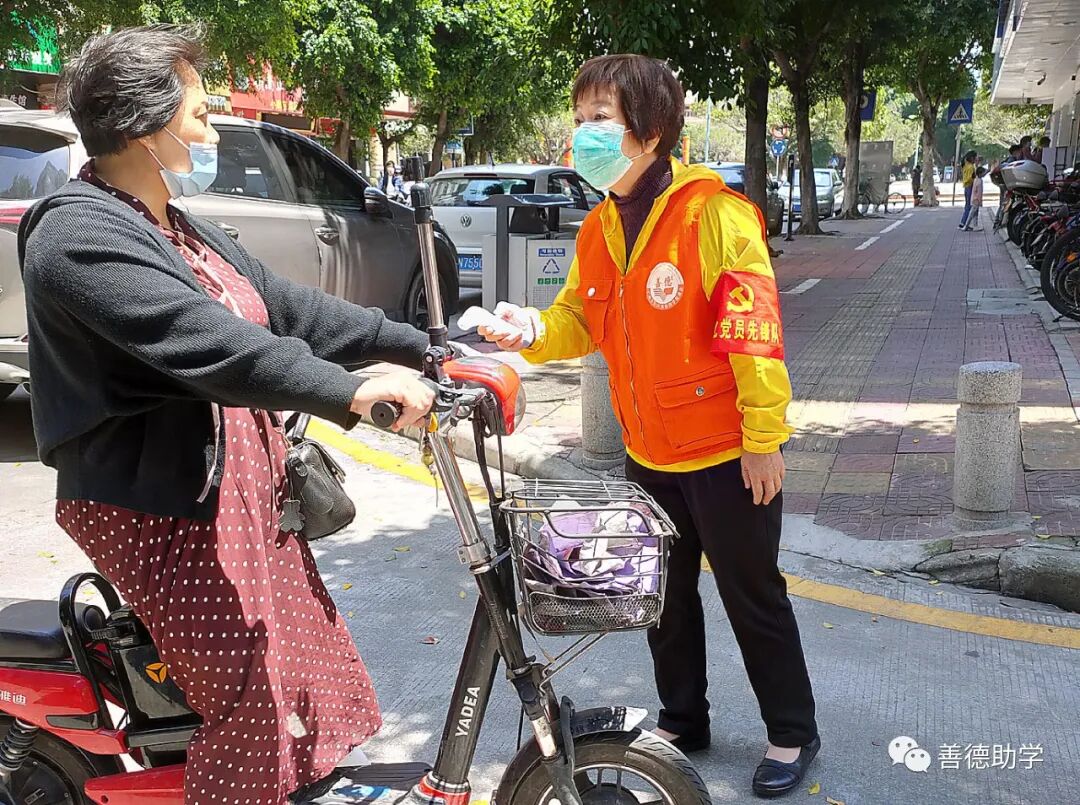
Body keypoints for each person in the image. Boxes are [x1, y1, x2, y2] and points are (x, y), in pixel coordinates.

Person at [19, 24, 436, 805]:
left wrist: (423, 346)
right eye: (201, 113)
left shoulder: (173, 224)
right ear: (145, 125)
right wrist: (351, 392)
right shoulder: (76, 231)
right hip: (156, 504)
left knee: (304, 659)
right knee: (252, 695)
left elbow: (287, 309)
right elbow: (214, 344)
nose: (212, 132)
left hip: (235, 485)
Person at [479, 54, 819, 799]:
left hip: (726, 453)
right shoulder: (600, 227)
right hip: (649, 452)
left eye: (601, 118)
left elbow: (754, 336)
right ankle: (684, 720)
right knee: (663, 599)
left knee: (752, 595)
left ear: (652, 130)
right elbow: (579, 318)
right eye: (580, 119)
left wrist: (763, 440)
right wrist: (529, 328)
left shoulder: (714, 215)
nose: (584, 134)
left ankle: (793, 730)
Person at [958, 150, 977, 229]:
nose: (976, 159)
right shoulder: (971, 167)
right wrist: (974, 178)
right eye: (975, 158)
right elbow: (970, 178)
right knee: (969, 206)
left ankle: (963, 222)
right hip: (970, 186)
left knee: (967, 205)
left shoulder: (965, 165)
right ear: (972, 158)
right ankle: (964, 223)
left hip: (966, 187)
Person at [964, 166, 985, 231]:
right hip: (976, 199)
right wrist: (980, 201)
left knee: (975, 213)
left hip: (974, 198)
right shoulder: (979, 181)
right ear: (980, 173)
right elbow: (979, 192)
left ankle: (975, 226)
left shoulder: (976, 179)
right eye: (983, 173)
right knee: (972, 213)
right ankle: (966, 226)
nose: (984, 174)